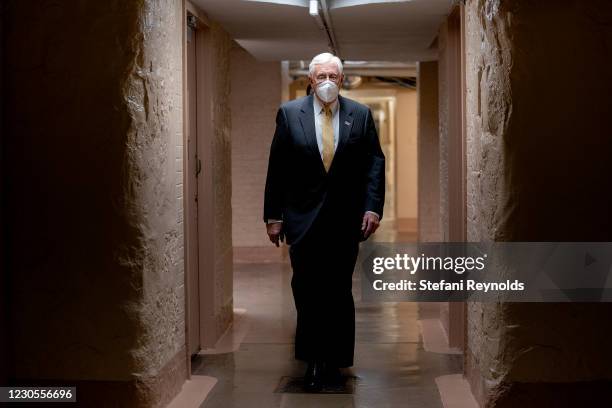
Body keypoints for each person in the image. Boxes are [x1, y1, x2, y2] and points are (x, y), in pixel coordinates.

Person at [263, 52, 385, 391]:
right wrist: (274, 216)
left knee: (338, 290)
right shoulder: (290, 114)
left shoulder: (359, 115)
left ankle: (335, 360)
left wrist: (373, 208)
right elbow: (278, 167)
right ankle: (313, 360)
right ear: (310, 81)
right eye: (321, 77)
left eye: (333, 75)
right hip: (302, 219)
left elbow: (374, 162)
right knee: (306, 288)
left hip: (345, 220)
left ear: (342, 79)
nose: (327, 82)